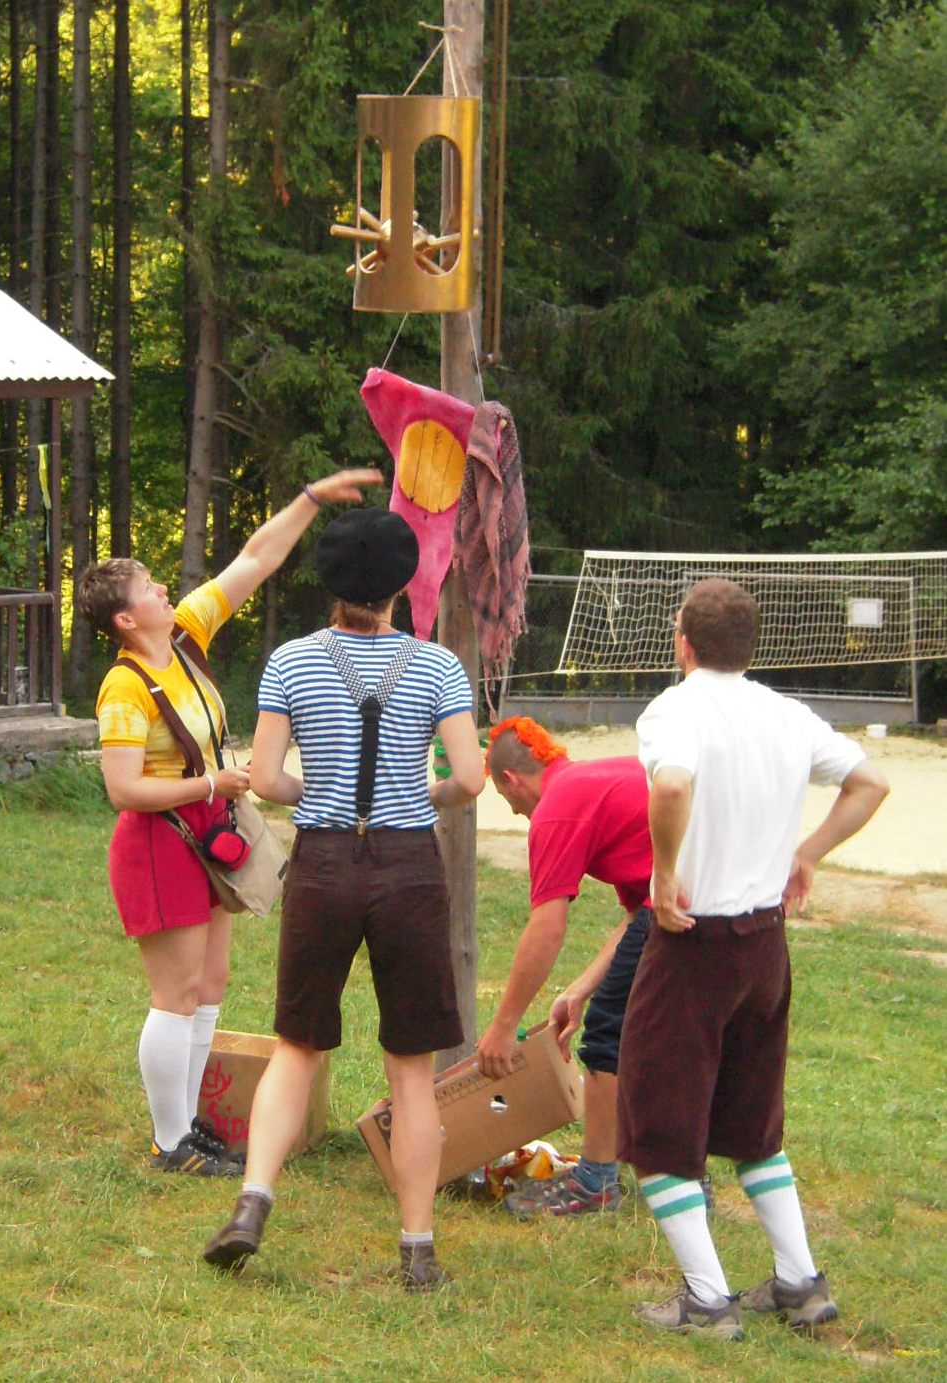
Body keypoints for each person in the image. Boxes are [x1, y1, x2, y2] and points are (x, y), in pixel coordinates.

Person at [202, 507, 485, 1289]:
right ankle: (417, 1246)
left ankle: (252, 1201)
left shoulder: (291, 661)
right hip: (407, 868)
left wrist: (313, 791)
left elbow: (265, 779)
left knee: (298, 1046)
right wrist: (423, 795)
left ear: (327, 579)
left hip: (324, 864)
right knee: (411, 1069)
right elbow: (468, 777)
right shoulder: (437, 666)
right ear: (401, 584)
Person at [78, 468, 381, 1177]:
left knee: (210, 983)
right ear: (125, 620)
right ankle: (170, 1142)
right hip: (159, 842)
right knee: (175, 993)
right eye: (148, 588)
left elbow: (255, 558)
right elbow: (123, 789)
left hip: (206, 831)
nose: (163, 590)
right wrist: (213, 781)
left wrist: (309, 499)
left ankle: (189, 1126)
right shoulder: (123, 685)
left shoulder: (185, 634)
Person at [619, 577, 889, 1340]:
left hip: (694, 942)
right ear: (749, 644)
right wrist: (807, 852)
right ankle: (799, 1282)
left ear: (682, 641)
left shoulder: (674, 710)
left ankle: (706, 1300)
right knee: (752, 1119)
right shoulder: (785, 713)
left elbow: (672, 783)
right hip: (765, 944)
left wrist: (663, 872)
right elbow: (869, 782)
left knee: (655, 1116)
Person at [477, 716, 656, 1217]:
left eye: (509, 802)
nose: (517, 813)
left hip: (687, 905)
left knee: (607, 1036)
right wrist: (579, 988)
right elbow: (640, 914)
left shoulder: (556, 809)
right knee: (665, 1039)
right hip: (725, 902)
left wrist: (504, 1026)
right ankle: (685, 1175)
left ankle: (595, 1182)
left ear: (512, 779)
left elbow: (547, 928)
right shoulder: (593, 782)